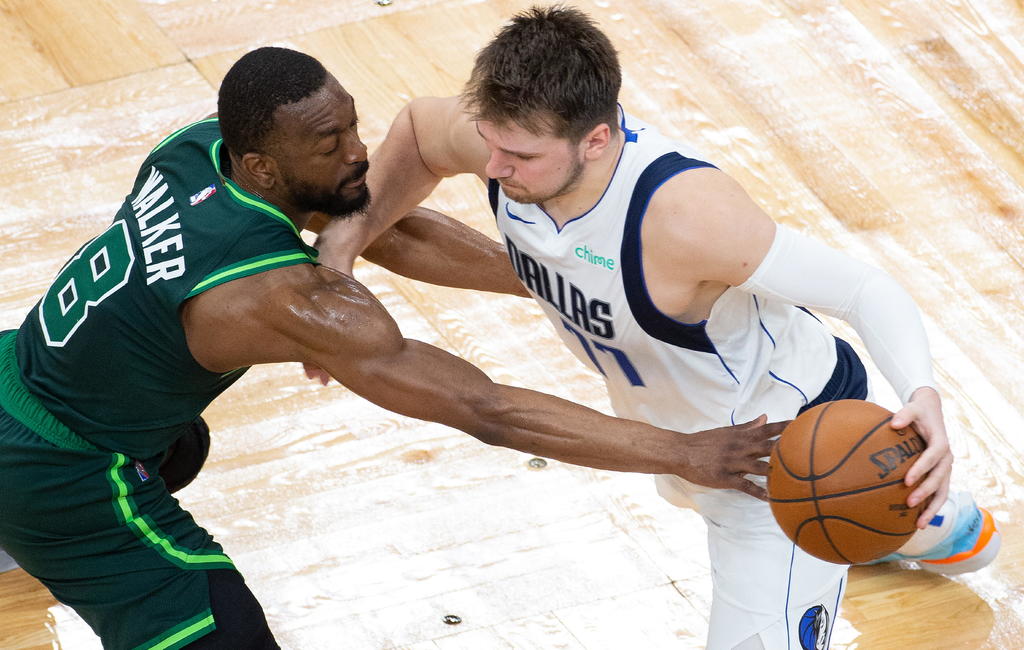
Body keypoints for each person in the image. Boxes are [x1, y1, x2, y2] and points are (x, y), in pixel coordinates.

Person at [0, 46, 790, 649]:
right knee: (224, 630)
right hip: (64, 477)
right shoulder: (283, 299)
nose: (356, 152)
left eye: (350, 123)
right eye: (328, 141)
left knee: (180, 443)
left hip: (18, 369)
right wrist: (683, 451)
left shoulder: (200, 148)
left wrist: (557, 283)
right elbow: (487, 410)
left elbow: (388, 222)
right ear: (262, 163)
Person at [312, 6, 1002, 649]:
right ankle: (898, 514)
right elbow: (417, 136)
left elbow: (860, 287)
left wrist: (925, 392)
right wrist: (343, 248)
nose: (494, 169)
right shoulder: (506, 142)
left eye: (518, 157)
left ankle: (871, 492)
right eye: (491, 145)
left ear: (597, 139)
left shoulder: (688, 215)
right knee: (725, 485)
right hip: (679, 436)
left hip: (776, 460)